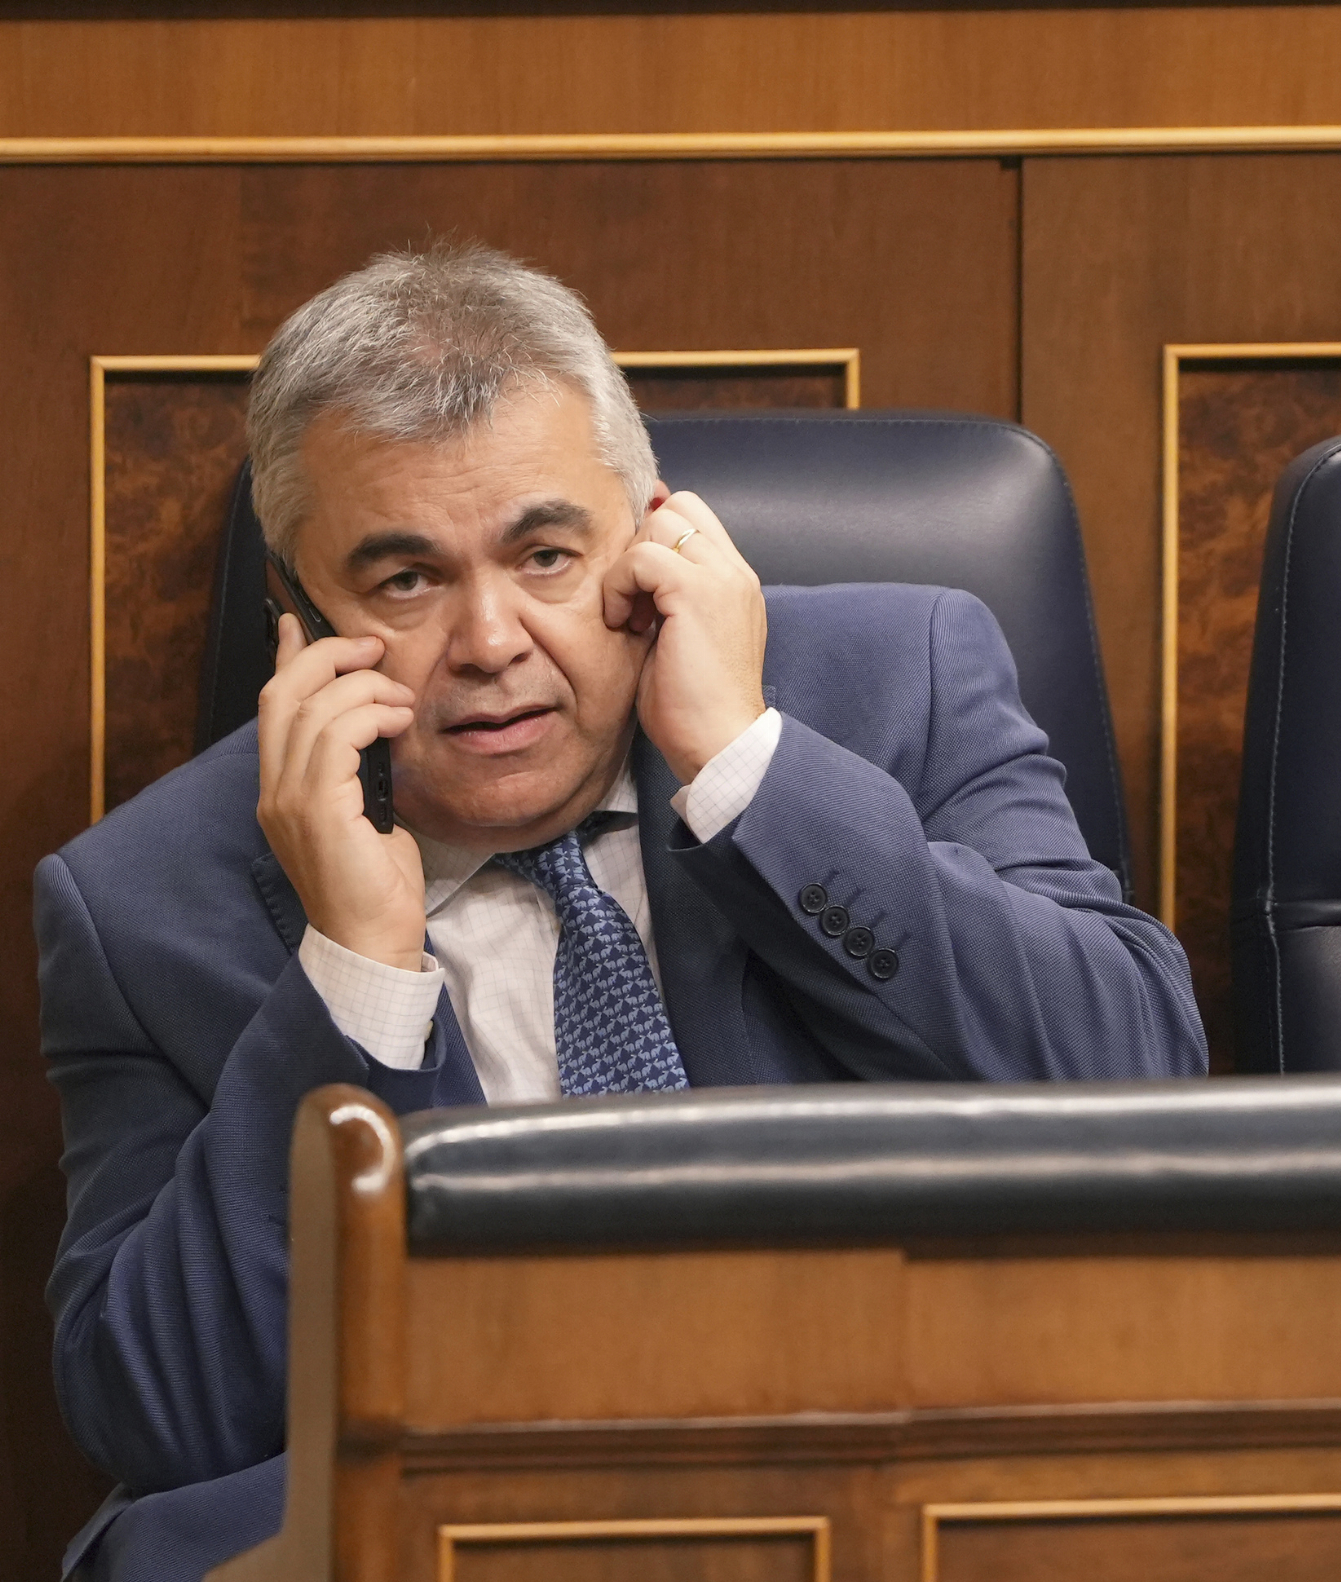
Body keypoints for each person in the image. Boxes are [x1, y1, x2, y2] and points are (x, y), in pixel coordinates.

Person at [38, 243, 1206, 1579]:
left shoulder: (902, 678)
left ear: (654, 537)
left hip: (891, 1486)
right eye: (406, 580)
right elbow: (171, 1420)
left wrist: (750, 770)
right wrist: (352, 973)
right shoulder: (139, 899)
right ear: (297, 620)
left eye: (545, 554)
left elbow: (1135, 1080)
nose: (488, 641)